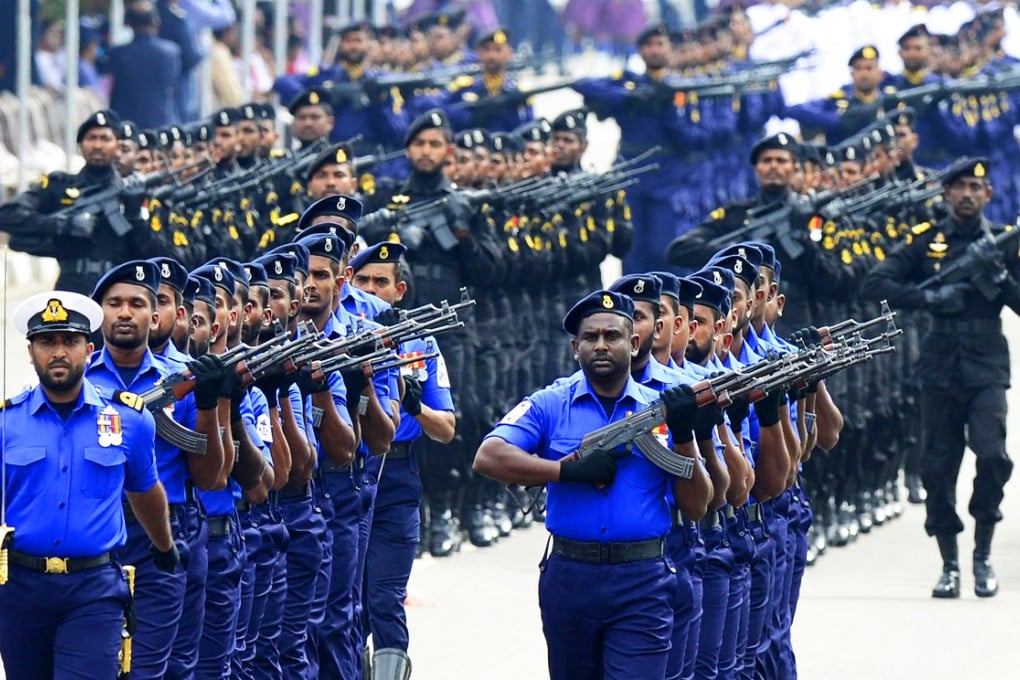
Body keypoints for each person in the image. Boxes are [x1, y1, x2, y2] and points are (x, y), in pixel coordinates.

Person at [474, 289, 712, 680]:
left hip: (643, 580)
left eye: (612, 336)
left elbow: (697, 506)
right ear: (575, 347)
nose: (601, 345)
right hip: (570, 577)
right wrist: (564, 471)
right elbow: (489, 455)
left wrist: (685, 436)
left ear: (634, 343)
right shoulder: (551, 403)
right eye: (590, 338)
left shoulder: (661, 405)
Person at [862, 157, 1019, 599]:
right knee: (937, 467)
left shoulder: (1006, 243)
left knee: (993, 456)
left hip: (987, 364)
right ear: (945, 194)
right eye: (959, 187)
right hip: (939, 363)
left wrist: (1001, 278)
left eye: (976, 187)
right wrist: (930, 297)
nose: (968, 194)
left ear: (988, 195)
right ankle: (949, 563)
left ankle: (982, 554)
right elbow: (876, 284)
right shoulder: (925, 241)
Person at [0, 290, 178, 679]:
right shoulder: (6, 423)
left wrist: (163, 546)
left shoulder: (128, 420)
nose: (58, 352)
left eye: (70, 341)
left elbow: (145, 489)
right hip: (19, 589)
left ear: (90, 349)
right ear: (30, 351)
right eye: (47, 342)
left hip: (92, 590)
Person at [349, 241, 457, 677]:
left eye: (382, 282)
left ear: (400, 289)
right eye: (363, 281)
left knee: (385, 597)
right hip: (349, 472)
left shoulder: (420, 340)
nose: (372, 291)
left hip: (396, 475)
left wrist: (415, 407)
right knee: (348, 601)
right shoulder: (334, 337)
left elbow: (446, 428)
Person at [101, 1, 182, 128]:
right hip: (162, 122)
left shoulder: (117, 53)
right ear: (155, 22)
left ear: (129, 24)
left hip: (125, 124)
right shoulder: (171, 52)